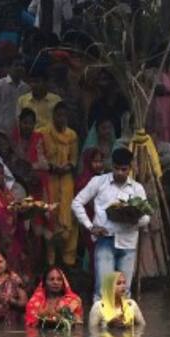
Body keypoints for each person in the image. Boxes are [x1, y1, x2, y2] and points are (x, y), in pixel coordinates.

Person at [72, 148, 150, 300]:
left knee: (124, 291)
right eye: (116, 168)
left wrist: (134, 219)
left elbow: (146, 217)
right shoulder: (99, 182)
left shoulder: (137, 188)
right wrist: (90, 227)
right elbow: (77, 203)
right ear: (112, 166)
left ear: (130, 168)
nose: (120, 172)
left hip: (128, 242)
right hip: (105, 240)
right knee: (102, 290)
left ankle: (123, 321)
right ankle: (99, 322)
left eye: (124, 169)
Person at [40, 101, 79, 267]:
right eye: (58, 115)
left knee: (67, 216)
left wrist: (68, 166)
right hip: (50, 179)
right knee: (51, 214)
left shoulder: (72, 135)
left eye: (64, 115)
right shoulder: (43, 133)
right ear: (53, 115)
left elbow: (74, 158)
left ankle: (67, 259)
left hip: (66, 179)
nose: (61, 118)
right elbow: (40, 156)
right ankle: (49, 260)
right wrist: (52, 167)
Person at [0, 57, 30, 135]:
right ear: (9, 68)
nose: (20, 68)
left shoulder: (26, 88)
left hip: (19, 132)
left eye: (22, 65)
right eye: (16, 65)